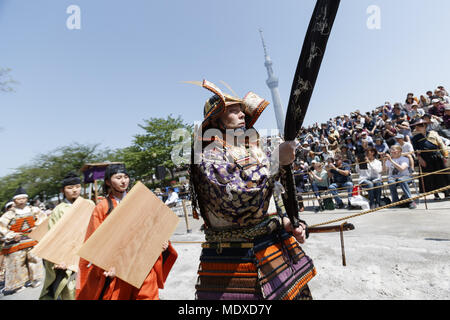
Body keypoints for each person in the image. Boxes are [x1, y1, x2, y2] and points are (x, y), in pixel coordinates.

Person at [189, 80, 315, 300]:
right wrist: (275, 161)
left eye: (242, 110)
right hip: (232, 255)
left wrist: (288, 220)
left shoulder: (250, 147)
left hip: (273, 243)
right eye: (233, 110)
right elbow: (235, 196)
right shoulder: (206, 151)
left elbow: (274, 191)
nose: (241, 114)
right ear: (216, 118)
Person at [76, 164, 178, 300]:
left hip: (143, 262)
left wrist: (162, 243)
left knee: (148, 296)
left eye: (126, 177)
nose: (123, 181)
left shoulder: (140, 201)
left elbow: (153, 228)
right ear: (107, 182)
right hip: (118, 268)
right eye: (118, 178)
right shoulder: (102, 207)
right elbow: (96, 244)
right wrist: (106, 266)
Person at [39, 172, 92, 300]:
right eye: (70, 188)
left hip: (86, 252)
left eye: (77, 186)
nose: (75, 190)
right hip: (68, 255)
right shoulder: (59, 209)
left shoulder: (89, 204)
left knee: (88, 286)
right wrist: (58, 259)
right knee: (71, 288)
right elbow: (53, 236)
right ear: (63, 190)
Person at [0, 187, 44, 295]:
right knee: (17, 264)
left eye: (23, 198)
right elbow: (1, 226)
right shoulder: (9, 214)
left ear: (27, 199)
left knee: (34, 259)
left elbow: (43, 218)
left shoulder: (34, 210)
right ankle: (18, 284)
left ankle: (35, 279)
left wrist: (36, 227)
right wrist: (11, 234)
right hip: (16, 242)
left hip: (31, 239)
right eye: (19, 199)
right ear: (14, 200)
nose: (21, 201)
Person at [411, 119, 450, 199]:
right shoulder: (415, 138)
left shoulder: (433, 134)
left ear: (425, 126)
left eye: (421, 125)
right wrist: (420, 159)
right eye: (417, 126)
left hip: (437, 157)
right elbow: (416, 150)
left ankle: (447, 193)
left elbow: (441, 145)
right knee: (431, 177)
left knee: (442, 175)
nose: (418, 127)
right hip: (425, 159)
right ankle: (436, 194)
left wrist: (445, 156)